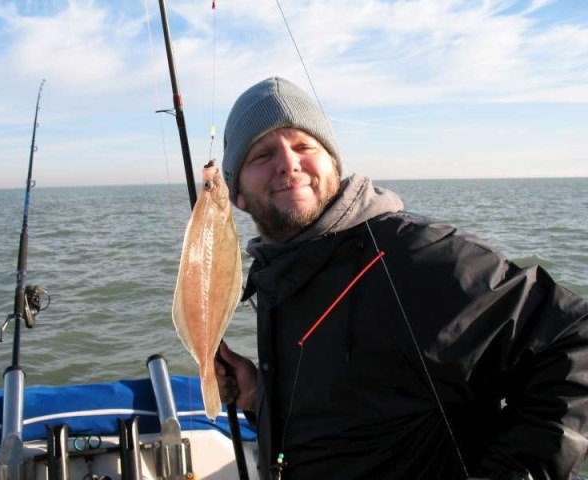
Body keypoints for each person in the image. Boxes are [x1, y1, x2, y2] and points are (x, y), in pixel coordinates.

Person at [215, 76, 588, 480]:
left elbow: (575, 340)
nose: (288, 162)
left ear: (334, 165)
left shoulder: (414, 254)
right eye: (262, 155)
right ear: (237, 193)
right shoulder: (281, 271)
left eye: (305, 145)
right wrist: (261, 399)